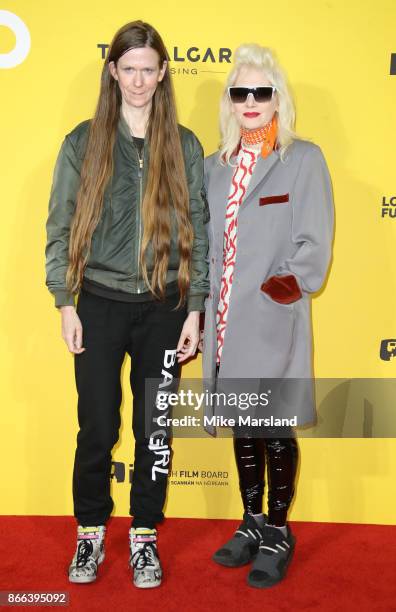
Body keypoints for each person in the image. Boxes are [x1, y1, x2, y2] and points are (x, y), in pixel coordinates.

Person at [45, 20, 209, 589]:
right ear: (113, 72)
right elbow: (61, 226)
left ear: (163, 74)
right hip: (97, 303)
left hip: (165, 306)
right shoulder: (82, 141)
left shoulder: (183, 144)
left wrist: (195, 308)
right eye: (129, 69)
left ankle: (144, 535)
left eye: (149, 70)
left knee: (154, 430)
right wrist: (66, 302)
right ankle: (89, 531)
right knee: (95, 425)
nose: (139, 81)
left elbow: (199, 229)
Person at [202, 43, 334, 588]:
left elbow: (314, 247)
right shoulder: (213, 167)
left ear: (277, 97)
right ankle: (252, 521)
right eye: (241, 92)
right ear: (230, 102)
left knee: (273, 426)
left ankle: (279, 530)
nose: (251, 101)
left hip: (270, 318)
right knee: (243, 427)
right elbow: (204, 244)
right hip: (225, 320)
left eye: (262, 91)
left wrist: (275, 291)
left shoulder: (302, 159)